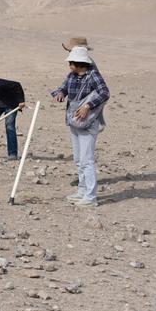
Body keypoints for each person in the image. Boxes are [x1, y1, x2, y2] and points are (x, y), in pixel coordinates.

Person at [51, 46, 110, 207]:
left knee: (87, 160)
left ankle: (90, 197)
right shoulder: (71, 75)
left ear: (79, 63)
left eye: (71, 63)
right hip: (74, 121)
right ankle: (82, 191)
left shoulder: (93, 76)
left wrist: (88, 106)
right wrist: (60, 93)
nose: (69, 66)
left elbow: (105, 92)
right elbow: (62, 87)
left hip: (88, 124)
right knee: (78, 159)